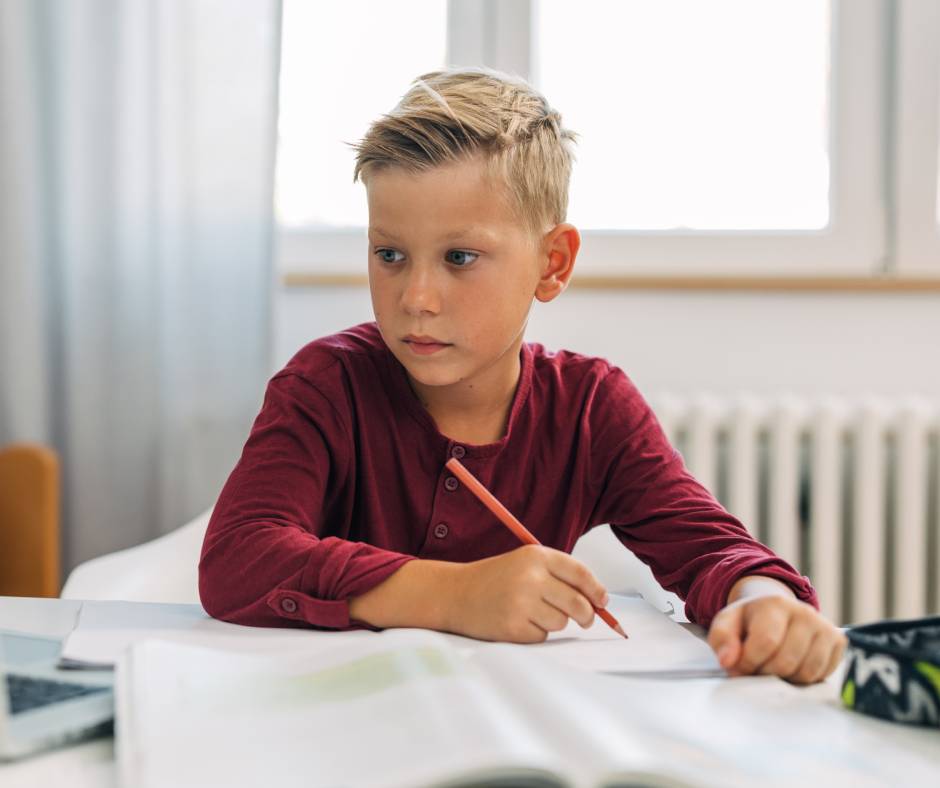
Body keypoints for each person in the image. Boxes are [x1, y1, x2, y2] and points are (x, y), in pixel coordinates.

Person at [199, 67, 846, 684]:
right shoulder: (326, 385)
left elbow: (713, 550)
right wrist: (454, 594)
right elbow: (237, 560)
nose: (416, 297)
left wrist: (764, 601)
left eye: (460, 257)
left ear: (552, 264)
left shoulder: (591, 407)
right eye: (389, 254)